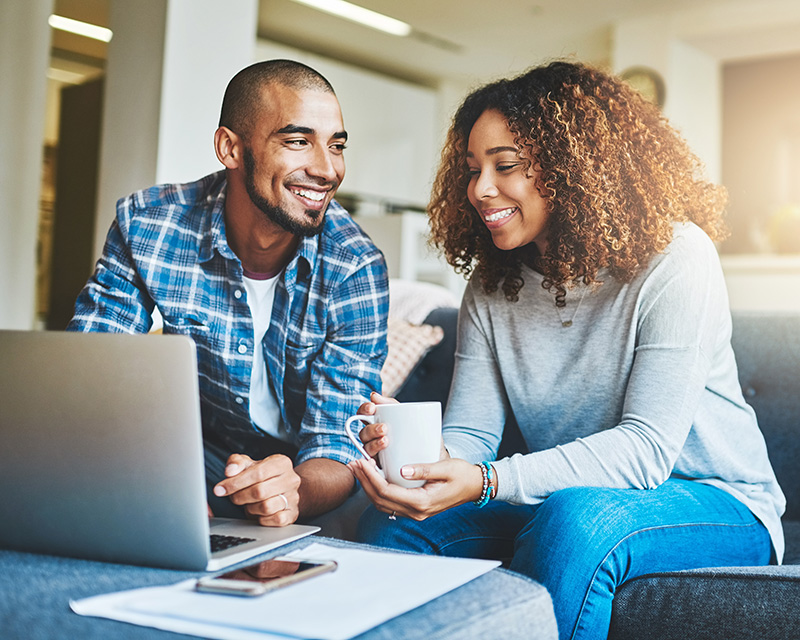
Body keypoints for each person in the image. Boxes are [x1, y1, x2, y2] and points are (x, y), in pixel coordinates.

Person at [349, 61, 785, 640]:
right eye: (472, 169)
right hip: (569, 498)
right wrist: (417, 459)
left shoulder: (677, 258)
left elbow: (644, 451)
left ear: (574, 169)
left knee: (579, 518)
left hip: (719, 502)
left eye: (505, 166)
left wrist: (486, 482)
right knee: (394, 529)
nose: (480, 189)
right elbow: (472, 437)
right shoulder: (491, 282)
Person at [68, 59, 389, 527]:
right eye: (298, 141)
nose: (326, 169)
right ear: (230, 148)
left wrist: (289, 490)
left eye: (336, 146)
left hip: (306, 469)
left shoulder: (354, 265)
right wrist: (152, 473)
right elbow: (90, 371)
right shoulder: (150, 224)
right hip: (199, 451)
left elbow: (337, 446)